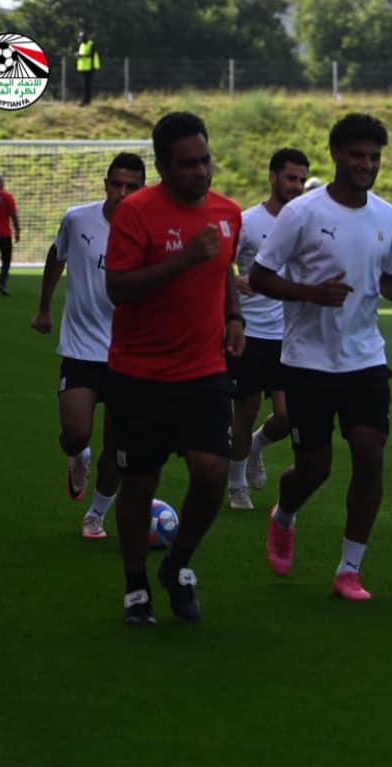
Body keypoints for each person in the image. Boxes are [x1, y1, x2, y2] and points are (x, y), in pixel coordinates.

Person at [251, 113, 392, 602]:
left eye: (374, 157)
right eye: (357, 155)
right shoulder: (301, 213)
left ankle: (349, 569)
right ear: (336, 155)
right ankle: (284, 514)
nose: (367, 165)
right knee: (315, 468)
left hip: (365, 358)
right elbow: (259, 276)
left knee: (370, 452)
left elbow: (388, 277)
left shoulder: (389, 217)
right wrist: (310, 293)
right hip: (307, 361)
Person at [104, 111, 245, 625]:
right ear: (163, 167)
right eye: (188, 164)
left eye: (205, 160)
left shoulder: (228, 213)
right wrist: (184, 258)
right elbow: (118, 288)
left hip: (204, 369)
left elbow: (223, 269)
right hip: (139, 373)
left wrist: (234, 316)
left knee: (212, 471)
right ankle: (136, 585)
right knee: (139, 483)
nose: (201, 171)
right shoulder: (136, 212)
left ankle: (178, 563)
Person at [32, 152, 146, 538]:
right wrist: (44, 308)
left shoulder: (152, 230)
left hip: (129, 354)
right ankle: (78, 455)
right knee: (76, 434)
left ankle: (95, 514)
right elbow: (57, 253)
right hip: (81, 348)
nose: (122, 193)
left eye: (131, 187)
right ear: (106, 184)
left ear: (143, 189)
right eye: (116, 184)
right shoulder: (78, 218)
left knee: (117, 447)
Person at [227, 147, 310, 511]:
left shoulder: (306, 221)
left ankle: (257, 447)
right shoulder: (247, 222)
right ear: (273, 176)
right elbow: (221, 265)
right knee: (244, 410)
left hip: (289, 334)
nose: (297, 186)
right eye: (291, 178)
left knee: (289, 415)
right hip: (249, 332)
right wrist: (235, 282)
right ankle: (236, 484)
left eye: (302, 180)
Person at [76, 31, 101, 106]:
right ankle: (86, 100)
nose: (80, 39)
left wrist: (82, 56)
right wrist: (78, 55)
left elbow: (92, 55)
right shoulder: (81, 45)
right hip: (83, 68)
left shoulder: (91, 44)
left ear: (85, 37)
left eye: (81, 37)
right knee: (84, 85)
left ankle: (86, 100)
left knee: (87, 85)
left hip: (89, 67)